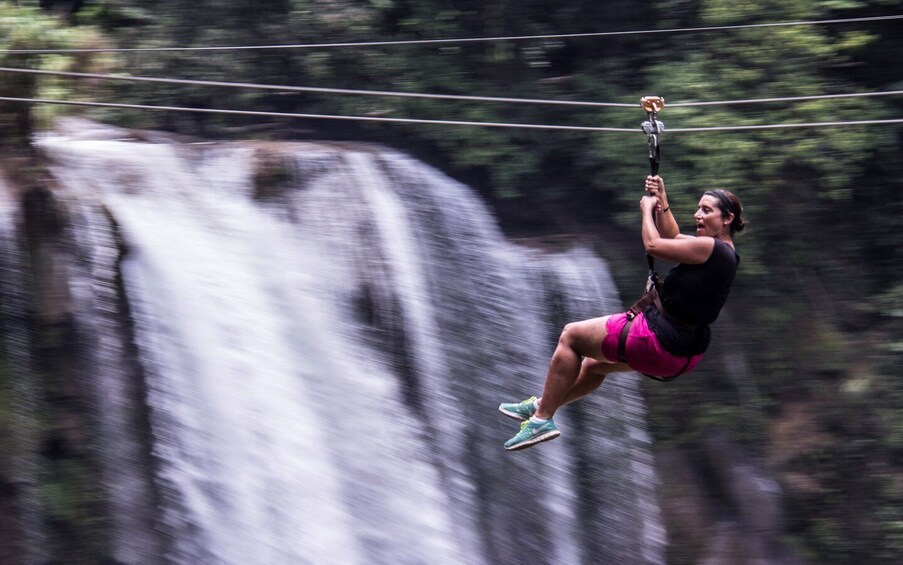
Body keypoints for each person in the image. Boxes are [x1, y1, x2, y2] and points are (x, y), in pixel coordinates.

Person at [499, 175, 744, 451]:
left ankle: (542, 419)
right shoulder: (724, 254)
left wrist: (646, 211)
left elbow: (654, 244)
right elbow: (672, 236)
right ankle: (542, 405)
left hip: (655, 342)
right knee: (593, 365)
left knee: (571, 336)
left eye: (707, 210)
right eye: (699, 208)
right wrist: (661, 199)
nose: (698, 214)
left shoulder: (711, 248)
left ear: (727, 219)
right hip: (680, 357)